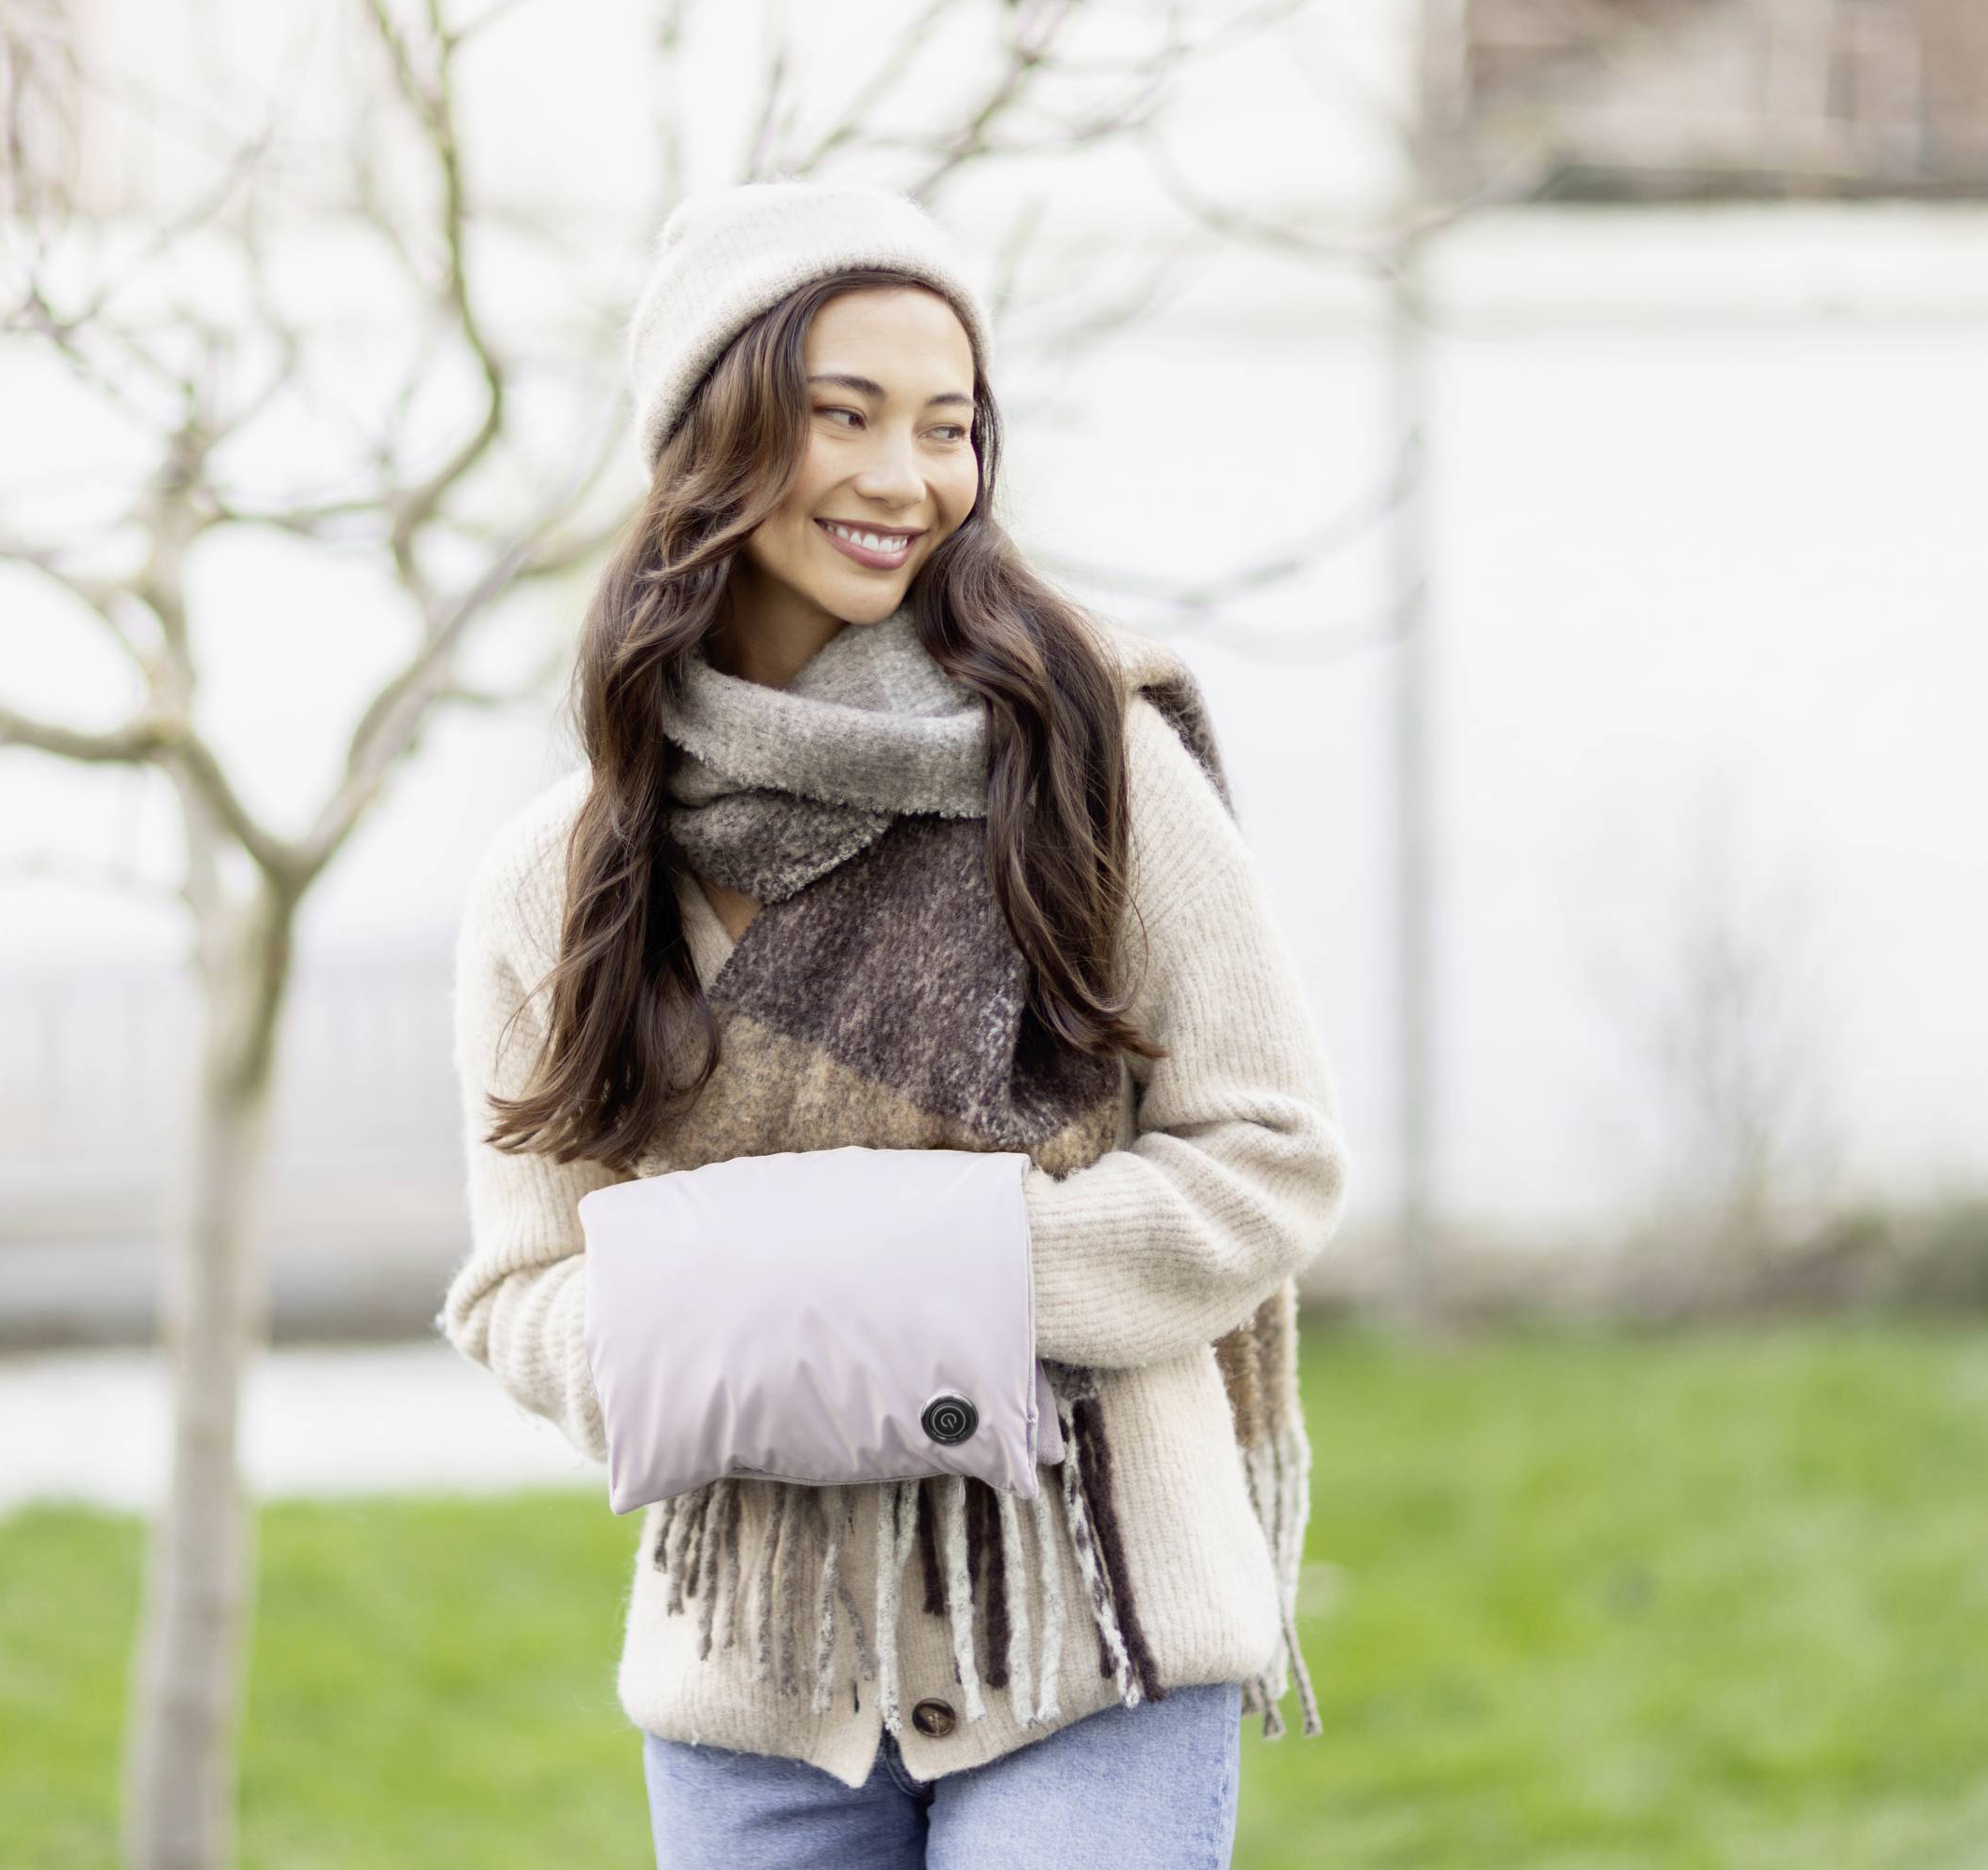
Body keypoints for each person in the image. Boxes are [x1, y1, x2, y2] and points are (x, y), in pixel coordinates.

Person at [436, 177, 1349, 1870]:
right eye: (841, 415)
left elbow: (1273, 1158)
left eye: (949, 426)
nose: (906, 477)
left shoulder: (1087, 771)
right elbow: (518, 1287)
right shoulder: (559, 880)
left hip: (1089, 1640)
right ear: (714, 437)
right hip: (755, 1690)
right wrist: (733, 1327)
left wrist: (953, 1278)